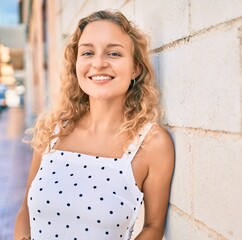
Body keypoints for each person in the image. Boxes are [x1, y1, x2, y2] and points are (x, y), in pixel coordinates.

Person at [14, 10, 174, 240]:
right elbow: (24, 213)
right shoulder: (52, 131)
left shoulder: (152, 143)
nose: (98, 63)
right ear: (76, 64)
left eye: (114, 53)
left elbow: (154, 226)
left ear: (135, 68)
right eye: (88, 52)